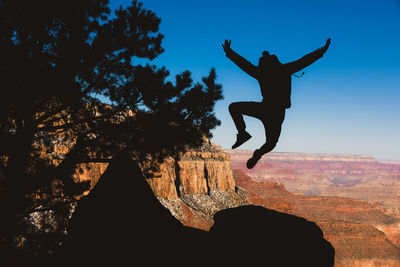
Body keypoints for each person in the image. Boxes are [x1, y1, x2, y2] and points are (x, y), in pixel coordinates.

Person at [223, 38, 331, 169]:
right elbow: (305, 61)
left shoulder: (260, 72)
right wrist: (321, 51)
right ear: (276, 61)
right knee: (271, 143)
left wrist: (230, 53)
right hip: (277, 113)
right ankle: (257, 152)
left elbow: (244, 64)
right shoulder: (285, 69)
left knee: (234, 107)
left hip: (264, 108)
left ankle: (242, 133)